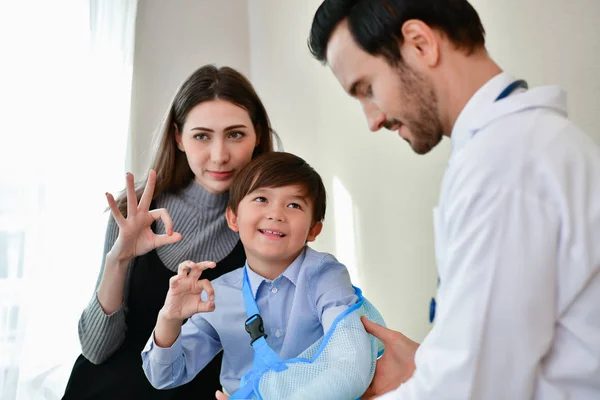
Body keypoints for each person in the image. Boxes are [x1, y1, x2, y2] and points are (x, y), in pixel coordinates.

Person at [308, 0, 600, 399]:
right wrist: (432, 360)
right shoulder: (528, 143)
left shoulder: (505, 163)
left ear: (420, 43)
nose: (372, 119)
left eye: (368, 90)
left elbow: (471, 389)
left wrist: (438, 372)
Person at [62, 64, 276, 399]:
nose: (219, 156)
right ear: (178, 137)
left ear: (258, 135)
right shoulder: (136, 214)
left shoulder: (270, 223)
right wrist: (118, 259)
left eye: (235, 134)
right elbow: (95, 350)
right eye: (201, 136)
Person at [141, 151, 384, 400]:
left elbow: (350, 368)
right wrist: (169, 317)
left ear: (313, 229)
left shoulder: (325, 275)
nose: (276, 214)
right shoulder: (218, 294)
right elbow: (165, 376)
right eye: (261, 199)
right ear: (233, 218)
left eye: (294, 205)